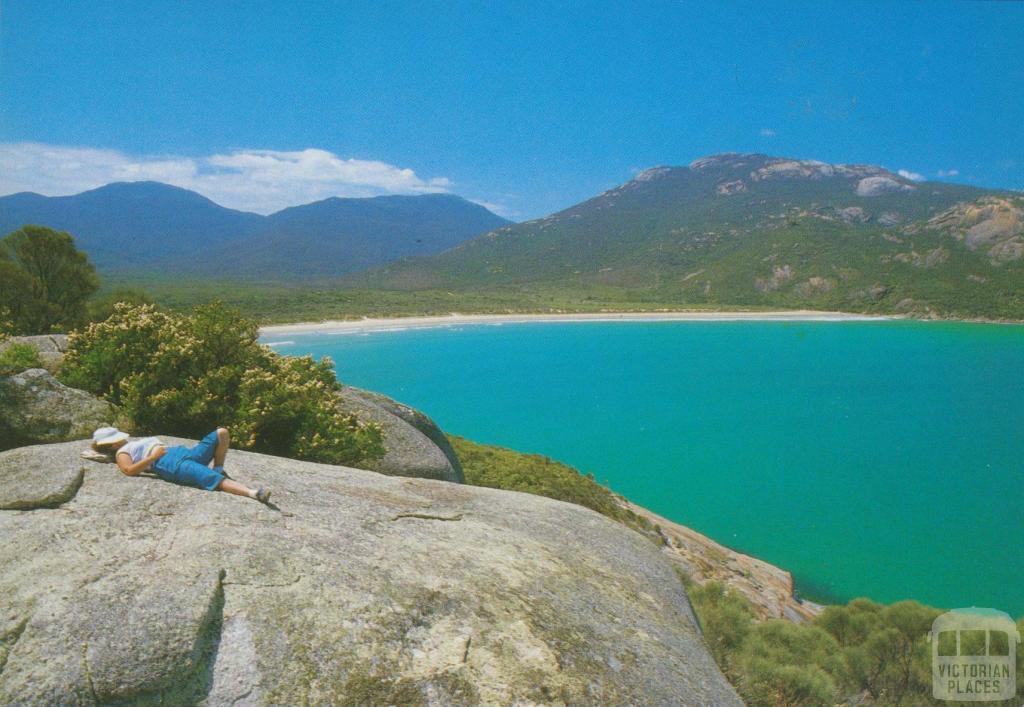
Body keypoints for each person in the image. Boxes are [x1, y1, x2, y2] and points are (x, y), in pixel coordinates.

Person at [91, 426, 271, 503]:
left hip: (182, 453)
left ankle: (218, 468)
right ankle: (254, 493)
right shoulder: (122, 452)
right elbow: (128, 470)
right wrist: (153, 457)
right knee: (212, 479)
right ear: (112, 444)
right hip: (167, 463)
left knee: (221, 433)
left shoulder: (131, 443)